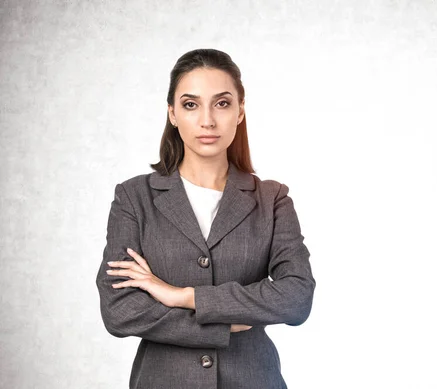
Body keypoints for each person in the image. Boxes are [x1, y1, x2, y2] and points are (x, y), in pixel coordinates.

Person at [96, 48, 316, 389]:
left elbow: (296, 297)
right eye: (190, 104)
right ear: (172, 113)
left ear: (240, 111)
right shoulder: (135, 197)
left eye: (222, 103)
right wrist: (224, 325)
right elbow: (119, 309)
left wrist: (183, 296)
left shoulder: (272, 199)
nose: (207, 120)